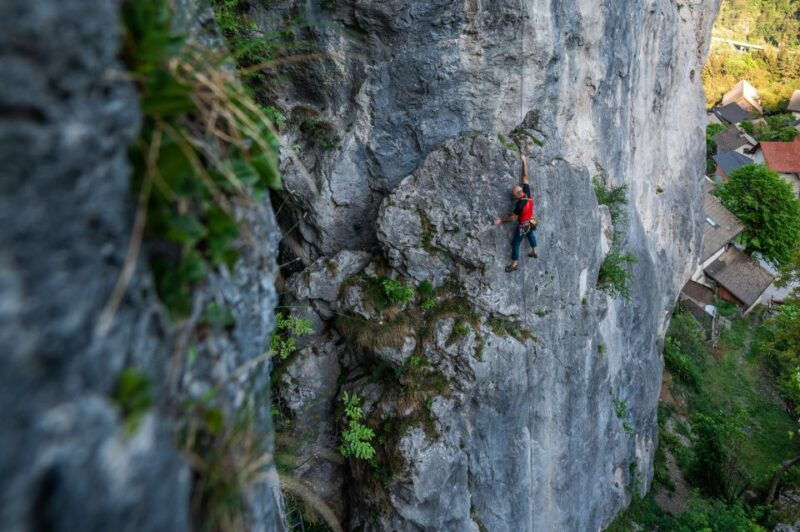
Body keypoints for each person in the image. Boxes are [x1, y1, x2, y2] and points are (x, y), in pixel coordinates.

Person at [493, 152, 537, 272]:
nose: (513, 197)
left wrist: (501, 220)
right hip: (531, 221)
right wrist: (524, 161)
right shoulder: (527, 192)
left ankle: (514, 264)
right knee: (531, 234)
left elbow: (513, 218)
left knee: (515, 244)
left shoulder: (520, 204)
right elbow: (525, 177)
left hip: (523, 225)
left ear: (517, 195)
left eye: (513, 195)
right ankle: (534, 251)